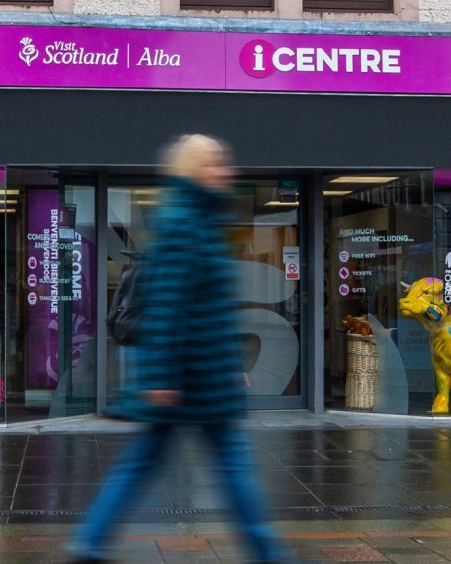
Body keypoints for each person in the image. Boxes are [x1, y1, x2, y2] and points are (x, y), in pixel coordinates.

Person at [68, 134, 291, 563]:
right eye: (216, 164)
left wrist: (229, 364)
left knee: (153, 465)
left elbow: (210, 309)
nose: (227, 171)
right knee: (224, 467)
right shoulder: (184, 224)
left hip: (202, 375)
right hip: (189, 380)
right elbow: (168, 306)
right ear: (196, 171)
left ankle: (89, 545)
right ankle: (268, 554)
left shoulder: (200, 221)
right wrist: (161, 378)